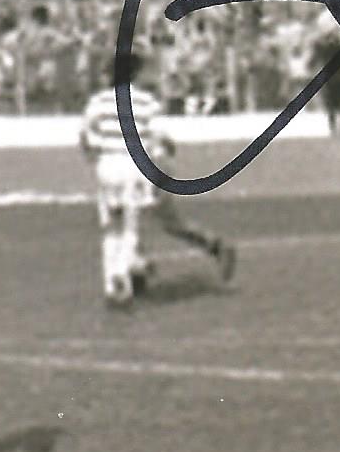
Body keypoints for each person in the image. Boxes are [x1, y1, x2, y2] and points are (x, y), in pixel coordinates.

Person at [78, 53, 235, 304]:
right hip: (143, 168)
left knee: (133, 222)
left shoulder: (98, 103)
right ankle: (134, 269)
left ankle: (128, 273)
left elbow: (86, 139)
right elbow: (163, 141)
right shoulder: (145, 103)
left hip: (130, 169)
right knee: (151, 221)